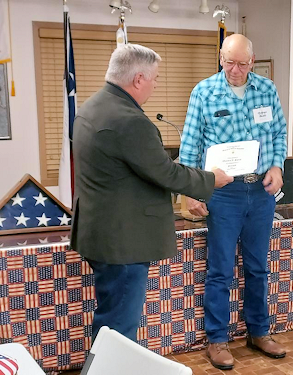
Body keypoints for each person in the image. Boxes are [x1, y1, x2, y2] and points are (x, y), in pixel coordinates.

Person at [70, 43, 233, 343]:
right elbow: (166, 173)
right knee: (118, 330)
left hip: (100, 234)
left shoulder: (91, 107)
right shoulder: (130, 121)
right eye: (155, 78)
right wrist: (212, 180)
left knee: (110, 323)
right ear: (138, 79)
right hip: (124, 241)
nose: (157, 84)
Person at [179, 34, 287, 370]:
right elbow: (189, 145)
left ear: (252, 61)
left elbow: (279, 134)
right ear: (221, 58)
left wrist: (277, 167)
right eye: (228, 62)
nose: (234, 70)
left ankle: (258, 331)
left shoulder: (266, 89)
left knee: (258, 268)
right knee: (221, 270)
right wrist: (191, 191)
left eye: (241, 63)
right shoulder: (205, 92)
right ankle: (217, 340)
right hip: (223, 193)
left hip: (261, 193)